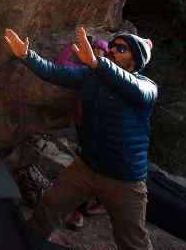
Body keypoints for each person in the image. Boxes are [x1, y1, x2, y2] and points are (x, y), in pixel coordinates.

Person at [4, 26, 157, 250]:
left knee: (132, 240)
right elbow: (56, 73)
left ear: (135, 61)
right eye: (113, 45)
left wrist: (97, 64)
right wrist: (27, 56)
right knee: (49, 207)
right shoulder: (91, 77)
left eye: (121, 48)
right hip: (87, 167)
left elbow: (135, 89)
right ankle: (25, 244)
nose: (113, 50)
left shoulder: (146, 87)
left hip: (124, 178)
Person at [54, 34, 110, 230]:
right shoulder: (83, 72)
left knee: (96, 167)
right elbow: (61, 63)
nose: (96, 54)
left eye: (100, 52)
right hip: (84, 125)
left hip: (105, 129)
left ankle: (83, 211)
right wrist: (73, 45)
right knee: (89, 167)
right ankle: (85, 208)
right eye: (93, 51)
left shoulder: (111, 75)